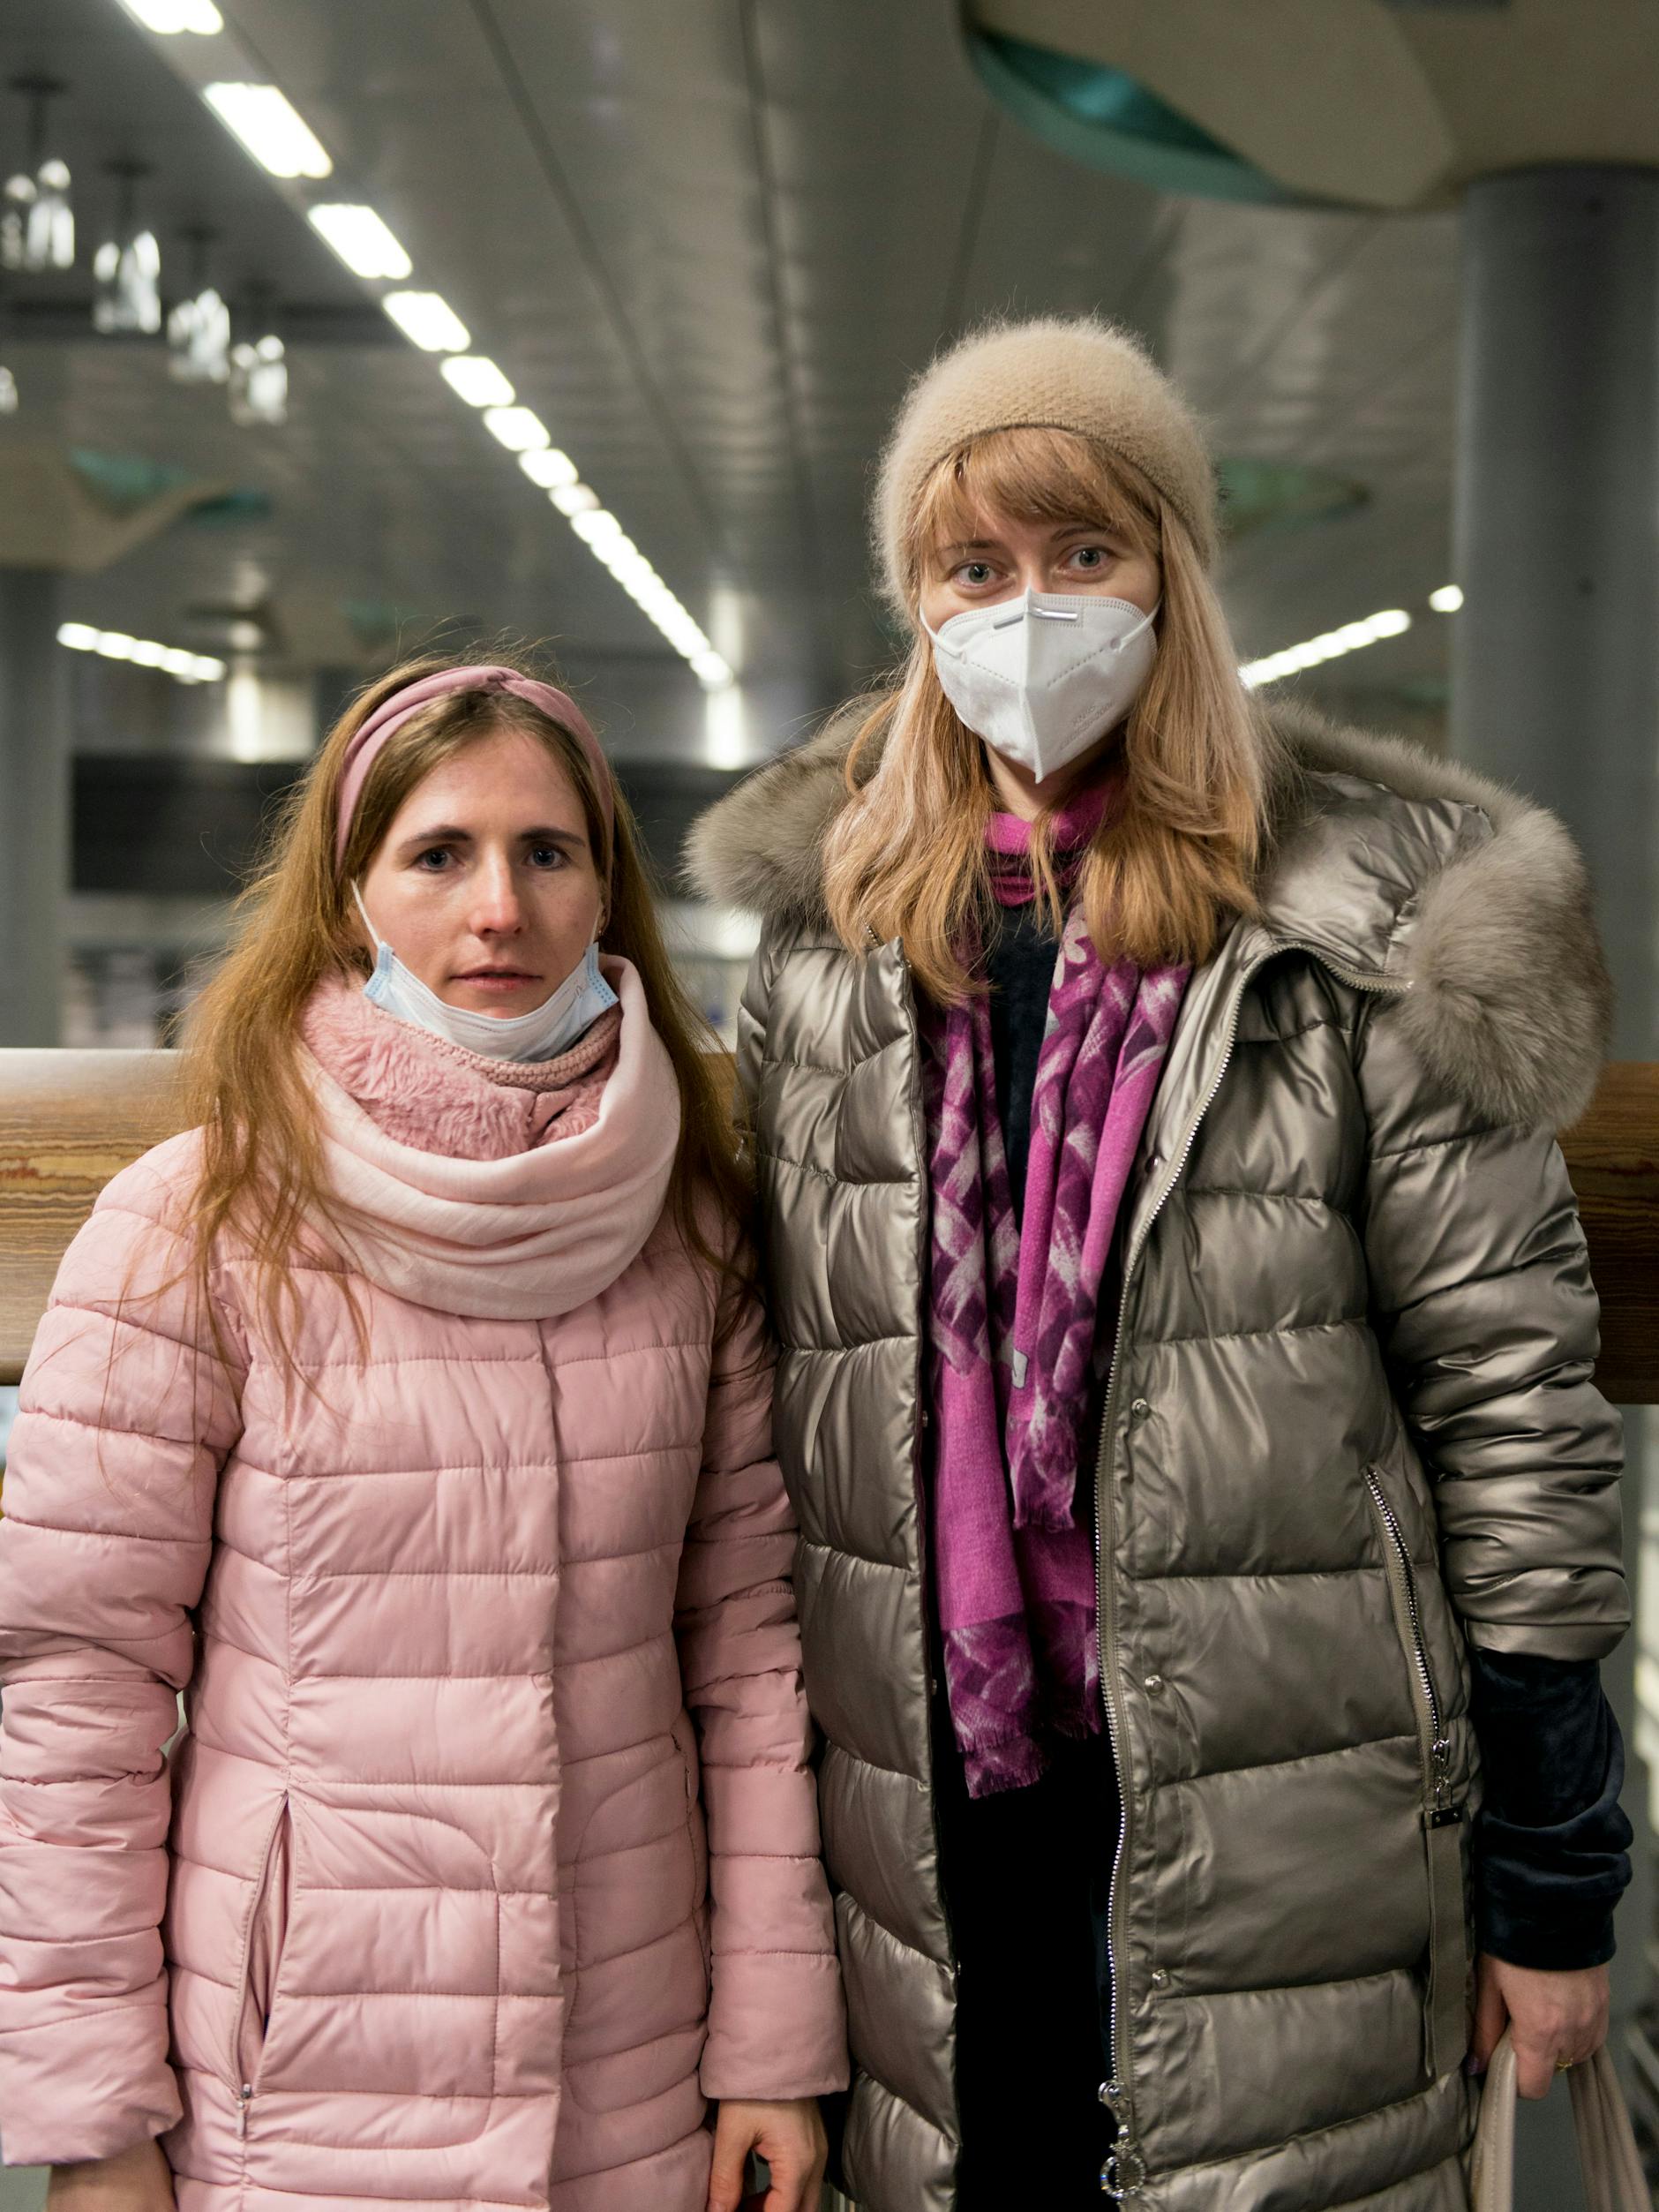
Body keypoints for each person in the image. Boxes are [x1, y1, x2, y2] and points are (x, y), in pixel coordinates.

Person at [687, 319, 1632, 2209]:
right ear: (919, 606)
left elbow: (1512, 1415)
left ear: (1172, 578)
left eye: (1083, 555)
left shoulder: (1369, 926)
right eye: (977, 568)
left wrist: (1554, 1872)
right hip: (935, 1809)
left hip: (1291, 1797)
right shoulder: (828, 956)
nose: (1030, 612)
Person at [0, 656, 846, 2212]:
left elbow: (748, 1654)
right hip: (297, 2098)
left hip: (629, 2083)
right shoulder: (198, 1224)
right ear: (350, 893)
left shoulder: (686, 1232)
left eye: (548, 851)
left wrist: (772, 2048)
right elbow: (79, 1698)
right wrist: (96, 2122)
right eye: (439, 853)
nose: (500, 909)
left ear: (606, 889)